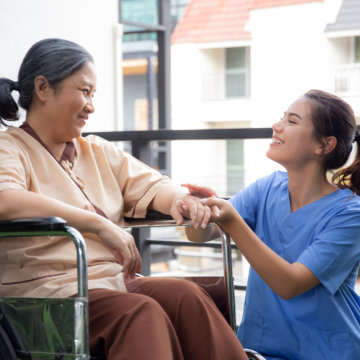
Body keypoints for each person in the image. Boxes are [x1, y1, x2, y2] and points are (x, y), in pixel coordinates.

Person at [0, 38, 248, 360]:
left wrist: (180, 202)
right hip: (49, 294)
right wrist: (97, 223)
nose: (91, 105)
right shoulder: (10, 147)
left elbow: (154, 185)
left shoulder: (98, 151)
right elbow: (6, 199)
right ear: (44, 88)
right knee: (139, 313)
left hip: (114, 282)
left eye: (93, 94)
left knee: (187, 296)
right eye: (84, 91)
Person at [183, 90, 360, 359]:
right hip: (259, 350)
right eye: (282, 118)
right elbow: (201, 235)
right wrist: (202, 209)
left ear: (324, 145)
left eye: (292, 121)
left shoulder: (350, 214)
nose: (277, 126)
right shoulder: (267, 188)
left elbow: (290, 284)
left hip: (328, 351)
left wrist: (231, 219)